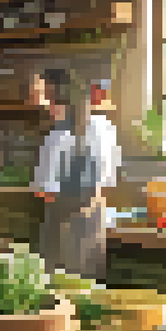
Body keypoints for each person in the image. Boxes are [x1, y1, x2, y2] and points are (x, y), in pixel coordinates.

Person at [31, 68, 121, 279]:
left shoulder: (57, 137)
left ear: (55, 99)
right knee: (87, 290)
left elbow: (45, 192)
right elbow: (108, 183)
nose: (39, 104)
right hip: (94, 221)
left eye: (41, 95)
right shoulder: (104, 127)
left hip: (63, 224)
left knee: (60, 292)